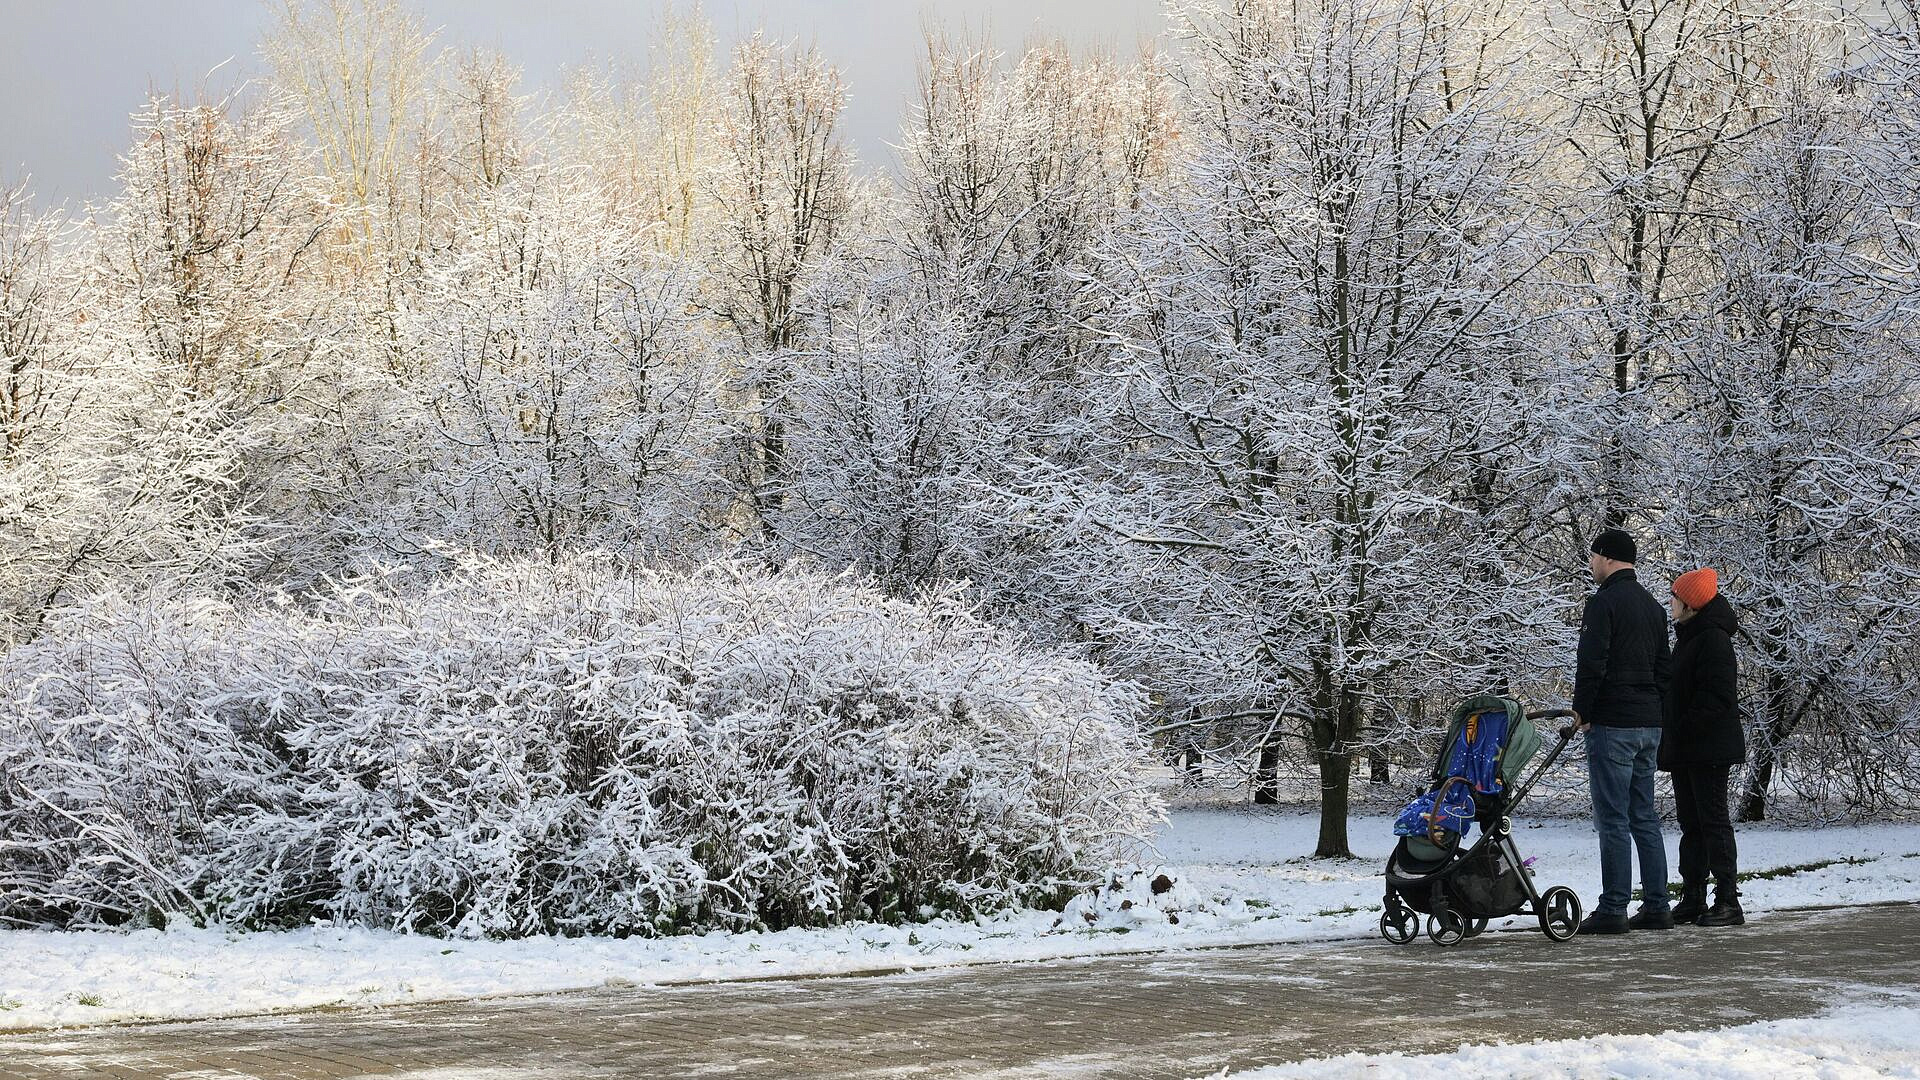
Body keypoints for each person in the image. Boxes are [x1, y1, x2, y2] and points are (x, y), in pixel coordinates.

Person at [1572, 527, 1674, 935]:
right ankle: (1657, 905)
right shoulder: (1654, 607)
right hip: (1649, 724)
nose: (1592, 564)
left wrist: (1583, 711)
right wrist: (1653, 708)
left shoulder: (1603, 604)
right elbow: (1664, 668)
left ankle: (1614, 907)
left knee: (1612, 819)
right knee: (1644, 817)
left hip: (1612, 723)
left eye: (1594, 556)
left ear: (1608, 558)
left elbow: (1592, 662)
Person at [1660, 568, 1746, 927]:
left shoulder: (1712, 639)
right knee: (1691, 824)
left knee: (1713, 822)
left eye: (1676, 596)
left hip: (1707, 748)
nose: (1671, 602)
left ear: (1691, 603)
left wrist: (1684, 727)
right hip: (1688, 747)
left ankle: (1727, 899)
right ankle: (1692, 894)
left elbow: (1717, 696)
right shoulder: (1690, 636)